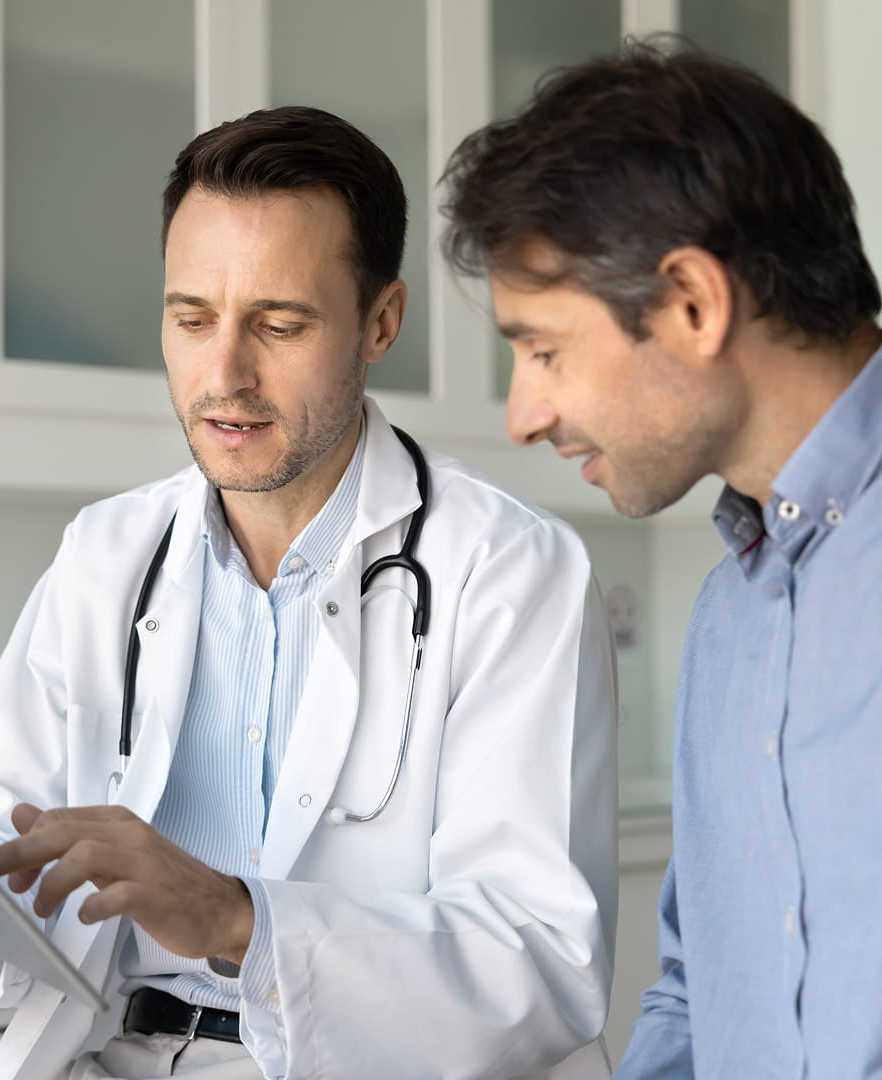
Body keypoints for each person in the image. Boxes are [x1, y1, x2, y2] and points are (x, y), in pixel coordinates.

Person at [0, 106, 618, 1079]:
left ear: (382, 323)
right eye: (191, 319)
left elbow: (542, 964)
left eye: (279, 324)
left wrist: (236, 917)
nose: (224, 374)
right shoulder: (109, 552)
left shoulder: (506, 570)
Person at [439, 38, 882, 1080]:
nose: (522, 414)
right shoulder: (733, 621)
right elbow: (696, 990)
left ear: (691, 302)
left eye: (544, 349)